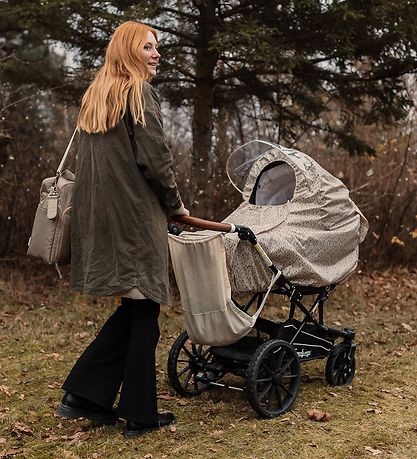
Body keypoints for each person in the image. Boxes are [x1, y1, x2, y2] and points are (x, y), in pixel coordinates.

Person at [56, 20, 189, 439]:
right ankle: (140, 416)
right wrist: (175, 204)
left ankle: (83, 396)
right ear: (129, 52)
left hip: (101, 218)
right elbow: (156, 159)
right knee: (145, 310)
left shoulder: (98, 95)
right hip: (133, 218)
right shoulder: (137, 92)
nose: (157, 54)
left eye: (158, 47)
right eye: (149, 47)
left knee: (134, 310)